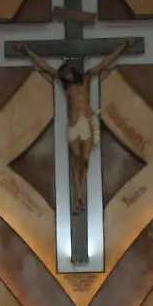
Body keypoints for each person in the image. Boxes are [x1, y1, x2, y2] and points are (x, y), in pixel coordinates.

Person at [21, 38, 137, 213]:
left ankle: (80, 194)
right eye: (63, 75)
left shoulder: (86, 78)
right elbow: (44, 66)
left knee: (85, 159)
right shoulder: (65, 86)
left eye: (66, 73)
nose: (65, 76)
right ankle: (78, 197)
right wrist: (26, 50)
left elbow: (106, 62)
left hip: (86, 122)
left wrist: (123, 46)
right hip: (74, 124)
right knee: (76, 157)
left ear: (72, 71)